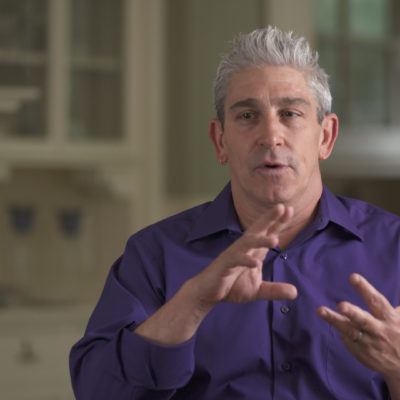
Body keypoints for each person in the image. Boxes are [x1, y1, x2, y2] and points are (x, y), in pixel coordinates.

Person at [70, 26, 400, 399]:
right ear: (220, 140)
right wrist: (192, 303)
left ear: (325, 136)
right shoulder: (153, 255)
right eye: (247, 116)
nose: (270, 136)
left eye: (290, 113)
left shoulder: (394, 248)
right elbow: (96, 391)